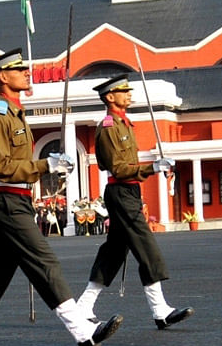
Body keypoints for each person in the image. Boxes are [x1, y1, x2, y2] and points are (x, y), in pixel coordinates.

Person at [0, 48, 122, 346]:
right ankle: (82, 332)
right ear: (3, 77)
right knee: (44, 261)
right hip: (5, 199)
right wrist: (46, 165)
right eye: (19, 69)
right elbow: (1, 167)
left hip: (17, 199)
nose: (26, 72)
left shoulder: (16, 113)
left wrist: (46, 167)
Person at [74, 75, 193, 330]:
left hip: (129, 193)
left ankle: (84, 305)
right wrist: (151, 168)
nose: (129, 93)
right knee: (146, 248)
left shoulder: (124, 124)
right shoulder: (108, 127)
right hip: (120, 193)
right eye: (123, 91)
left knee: (114, 252)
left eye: (129, 90)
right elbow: (117, 168)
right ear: (109, 97)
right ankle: (160, 309)